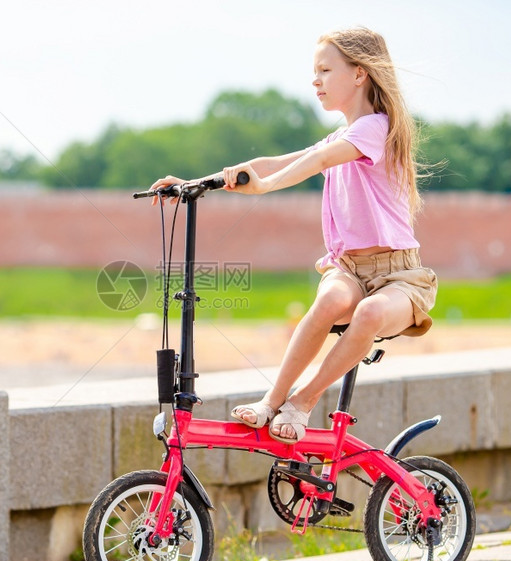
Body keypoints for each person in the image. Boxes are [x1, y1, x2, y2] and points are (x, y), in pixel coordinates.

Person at [150, 27, 437, 444]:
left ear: (359, 74)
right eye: (314, 71)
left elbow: (317, 159)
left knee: (370, 315)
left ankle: (302, 401)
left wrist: (264, 188)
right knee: (332, 299)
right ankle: (272, 400)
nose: (315, 81)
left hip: (399, 277)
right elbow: (275, 161)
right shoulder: (342, 135)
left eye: (325, 70)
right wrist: (196, 183)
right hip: (349, 268)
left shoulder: (377, 128)